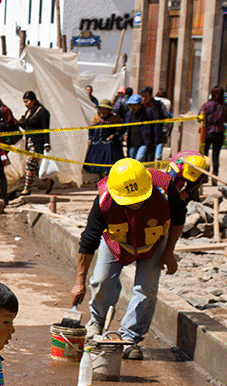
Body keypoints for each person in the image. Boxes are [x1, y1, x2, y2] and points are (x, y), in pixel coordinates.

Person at [71, 158, 187, 361]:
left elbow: (179, 218)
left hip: (154, 239)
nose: (134, 205)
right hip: (117, 239)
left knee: (147, 289)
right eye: (129, 201)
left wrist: (169, 252)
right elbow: (88, 240)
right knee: (101, 280)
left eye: (139, 199)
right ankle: (96, 323)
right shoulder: (104, 198)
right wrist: (79, 282)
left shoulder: (165, 188)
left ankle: (130, 338)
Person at [17, 90, 52, 196]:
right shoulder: (29, 112)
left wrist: (46, 144)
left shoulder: (42, 112)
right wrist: (20, 123)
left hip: (38, 143)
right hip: (29, 143)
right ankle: (48, 182)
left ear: (33, 101)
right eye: (24, 102)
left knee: (29, 165)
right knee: (34, 167)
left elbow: (46, 129)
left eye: (27, 101)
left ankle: (27, 189)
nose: (25, 104)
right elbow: (28, 127)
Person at [83, 100, 124, 182]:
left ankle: (107, 180)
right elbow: (91, 129)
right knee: (95, 163)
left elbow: (120, 131)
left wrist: (114, 135)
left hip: (109, 144)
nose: (103, 111)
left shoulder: (115, 119)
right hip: (96, 143)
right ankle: (101, 179)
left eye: (105, 109)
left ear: (109, 111)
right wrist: (90, 138)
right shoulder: (96, 118)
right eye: (101, 109)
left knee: (108, 164)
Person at [198, 87, 227, 176]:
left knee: (205, 155)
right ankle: (215, 174)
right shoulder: (224, 106)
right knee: (216, 155)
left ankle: (205, 174)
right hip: (219, 133)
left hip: (207, 132)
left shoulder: (206, 105)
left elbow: (199, 118)